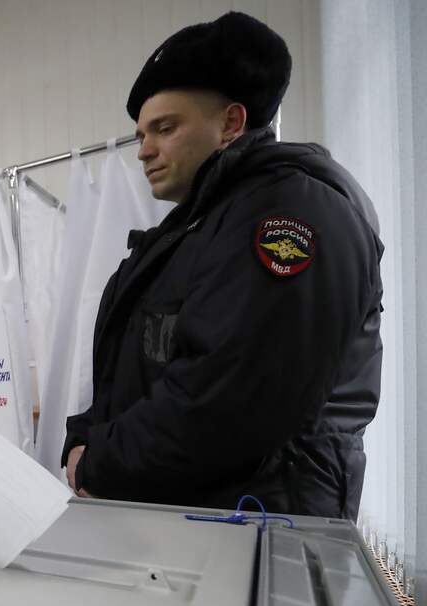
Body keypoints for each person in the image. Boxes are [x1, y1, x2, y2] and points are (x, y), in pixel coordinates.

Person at [62, 12, 383, 520]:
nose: (144, 151)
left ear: (231, 123)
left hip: (258, 533)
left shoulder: (291, 215)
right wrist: (83, 437)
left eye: (164, 128)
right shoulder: (193, 230)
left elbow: (228, 404)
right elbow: (135, 378)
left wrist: (97, 461)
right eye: (141, 134)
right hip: (193, 526)